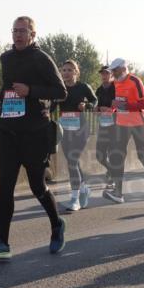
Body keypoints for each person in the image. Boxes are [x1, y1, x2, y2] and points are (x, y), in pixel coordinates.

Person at [0, 16, 67, 260]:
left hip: (35, 133)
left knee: (37, 186)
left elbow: (60, 91)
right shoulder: (6, 58)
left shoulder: (41, 59)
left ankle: (57, 224)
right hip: (9, 131)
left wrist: (31, 91)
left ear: (32, 34)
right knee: (5, 186)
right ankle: (3, 243)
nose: (18, 35)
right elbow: (7, 88)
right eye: (15, 31)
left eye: (23, 31)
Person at [104, 58, 144, 203]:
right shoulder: (114, 83)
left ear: (123, 68)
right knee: (118, 156)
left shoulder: (135, 81)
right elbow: (116, 102)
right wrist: (112, 109)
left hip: (138, 123)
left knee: (141, 155)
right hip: (121, 124)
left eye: (115, 70)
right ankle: (118, 193)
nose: (113, 73)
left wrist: (125, 105)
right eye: (112, 71)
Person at [55, 59, 98, 212]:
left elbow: (94, 100)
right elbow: (52, 105)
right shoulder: (60, 88)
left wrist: (86, 105)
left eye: (69, 70)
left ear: (76, 72)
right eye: (64, 70)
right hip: (65, 129)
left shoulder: (83, 87)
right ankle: (84, 188)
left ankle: (75, 199)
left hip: (81, 129)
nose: (66, 73)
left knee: (72, 161)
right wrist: (47, 109)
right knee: (72, 161)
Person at [94, 65, 117, 187]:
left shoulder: (116, 88)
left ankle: (112, 177)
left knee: (113, 153)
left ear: (111, 75)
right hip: (103, 125)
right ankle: (112, 171)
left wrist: (107, 109)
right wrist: (97, 109)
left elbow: (115, 106)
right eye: (102, 73)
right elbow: (96, 109)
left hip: (115, 126)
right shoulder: (99, 90)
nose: (104, 76)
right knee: (99, 155)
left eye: (106, 73)